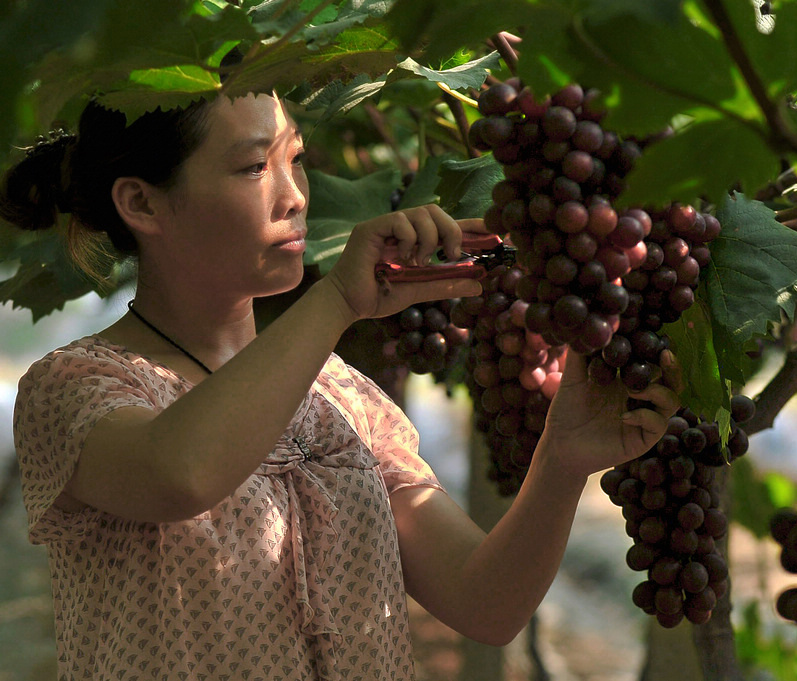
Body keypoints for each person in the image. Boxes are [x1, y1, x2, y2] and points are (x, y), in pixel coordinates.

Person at [1, 90, 682, 680]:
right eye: (252, 167)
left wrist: (561, 461)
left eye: (295, 159)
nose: (295, 194)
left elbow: (486, 603)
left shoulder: (340, 395)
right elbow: (181, 472)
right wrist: (337, 302)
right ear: (141, 202)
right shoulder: (73, 387)